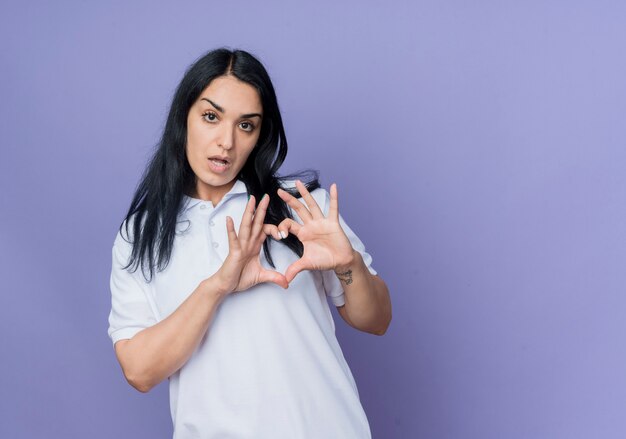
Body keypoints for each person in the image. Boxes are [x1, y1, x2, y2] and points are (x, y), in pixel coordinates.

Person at [107, 47, 392, 439]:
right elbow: (139, 371)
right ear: (183, 119)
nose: (226, 141)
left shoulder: (302, 207)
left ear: (260, 135)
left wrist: (349, 265)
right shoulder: (141, 235)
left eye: (246, 125)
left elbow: (376, 321)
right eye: (211, 117)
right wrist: (218, 286)